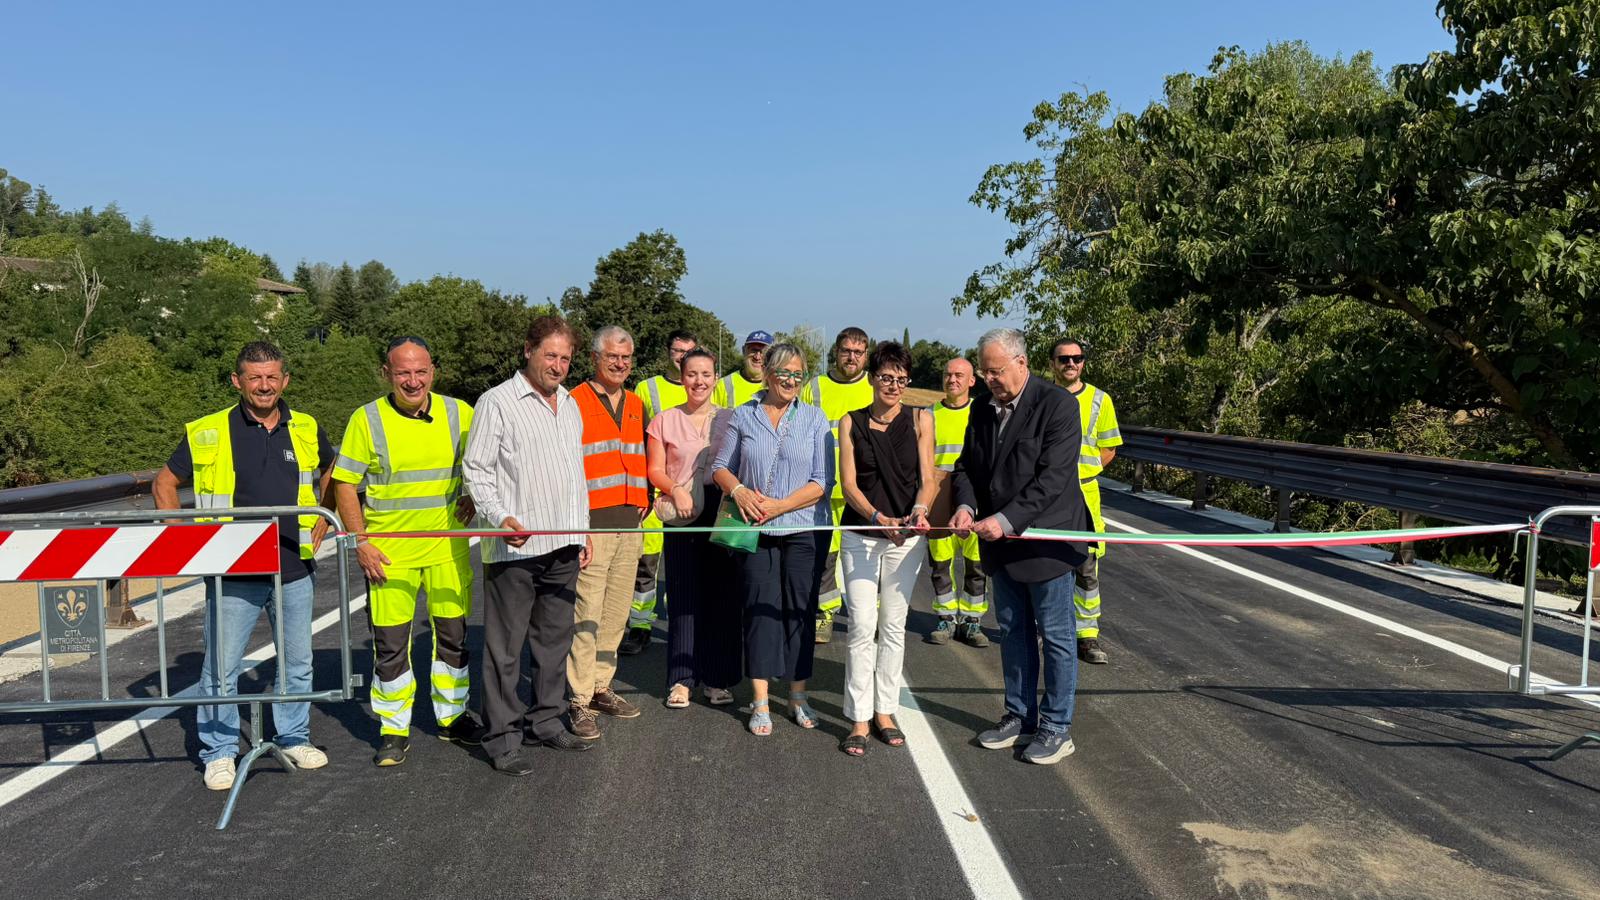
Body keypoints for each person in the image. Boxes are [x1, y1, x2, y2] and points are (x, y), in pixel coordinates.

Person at [152, 341, 336, 791]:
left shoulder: (306, 427)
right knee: (222, 666)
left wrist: (324, 518)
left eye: (272, 376)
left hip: (292, 564)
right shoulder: (211, 430)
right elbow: (165, 484)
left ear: (285, 380)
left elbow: (334, 471)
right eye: (254, 377)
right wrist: (189, 541)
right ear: (237, 381)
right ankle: (219, 751)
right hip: (233, 570)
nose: (264, 385)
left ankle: (293, 736)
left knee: (297, 661)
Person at [332, 336, 481, 768]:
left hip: (446, 548)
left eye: (420, 371)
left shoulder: (460, 413)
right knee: (391, 644)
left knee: (453, 639)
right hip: (388, 553)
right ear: (387, 374)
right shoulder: (367, 419)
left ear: (434, 371)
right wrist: (361, 542)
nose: (413, 380)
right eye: (403, 373)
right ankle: (393, 729)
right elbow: (345, 483)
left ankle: (452, 718)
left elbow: (484, 461)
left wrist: (471, 492)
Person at [462, 315, 596, 775]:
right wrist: (499, 518)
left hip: (563, 544)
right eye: (550, 355)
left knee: (554, 642)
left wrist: (583, 531)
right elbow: (476, 470)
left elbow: (575, 475)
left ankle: (546, 721)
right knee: (505, 648)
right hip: (515, 548)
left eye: (565, 357)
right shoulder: (496, 403)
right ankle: (501, 738)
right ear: (528, 351)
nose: (557, 365)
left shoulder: (570, 405)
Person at [950, 328, 1089, 765]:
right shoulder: (981, 408)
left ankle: (1056, 727)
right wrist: (967, 506)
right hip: (999, 544)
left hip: (1046, 542)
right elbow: (966, 468)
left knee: (1057, 637)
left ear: (1022, 363)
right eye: (985, 372)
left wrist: (1005, 520)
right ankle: (1020, 715)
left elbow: (1054, 478)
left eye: (996, 371)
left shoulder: (1058, 405)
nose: (989, 379)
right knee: (1013, 632)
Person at [711, 342, 833, 737]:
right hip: (755, 530)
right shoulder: (742, 415)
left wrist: (781, 507)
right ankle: (760, 699)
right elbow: (719, 467)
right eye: (785, 374)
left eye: (799, 375)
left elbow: (821, 480)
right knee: (760, 610)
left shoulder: (815, 418)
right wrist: (740, 491)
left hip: (802, 529)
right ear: (768, 373)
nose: (792, 381)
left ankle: (797, 694)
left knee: (800, 610)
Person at [836, 341, 936, 757]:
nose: (893, 385)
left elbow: (929, 479)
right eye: (885, 377)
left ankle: (885, 712)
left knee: (894, 627)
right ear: (872, 378)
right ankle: (858, 717)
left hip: (906, 540)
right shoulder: (850, 421)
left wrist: (917, 511)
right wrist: (877, 518)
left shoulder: (921, 419)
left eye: (901, 378)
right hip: (862, 535)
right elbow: (849, 484)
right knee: (861, 626)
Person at [566, 325, 650, 740]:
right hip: (593, 527)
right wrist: (578, 528)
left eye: (626, 357)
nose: (620, 364)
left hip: (629, 525)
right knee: (587, 615)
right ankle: (578, 698)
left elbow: (643, 458)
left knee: (616, 614)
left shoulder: (636, 403)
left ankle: (602, 685)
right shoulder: (574, 401)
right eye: (612, 357)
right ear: (595, 359)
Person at [645, 348, 739, 708]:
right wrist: (675, 489)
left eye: (706, 374)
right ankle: (682, 679)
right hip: (682, 512)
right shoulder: (664, 420)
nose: (699, 381)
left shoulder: (732, 419)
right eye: (691, 374)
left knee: (722, 596)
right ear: (681, 377)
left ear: (716, 378)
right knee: (683, 597)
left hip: (722, 510)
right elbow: (655, 468)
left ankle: (717, 679)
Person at [620, 330, 700, 657]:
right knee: (647, 561)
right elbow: (636, 442)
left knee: (688, 563)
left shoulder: (706, 387)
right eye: (677, 350)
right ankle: (639, 625)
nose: (682, 357)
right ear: (669, 352)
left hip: (693, 493)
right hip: (655, 490)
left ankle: (688, 626)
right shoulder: (647, 388)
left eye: (689, 352)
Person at [1051, 338, 1123, 665]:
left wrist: (1085, 472)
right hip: (1048, 494)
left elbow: (1109, 448)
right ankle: (1047, 629)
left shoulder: (1100, 400)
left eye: (1076, 358)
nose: (1070, 363)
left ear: (1083, 363)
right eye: (1063, 358)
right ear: (1053, 363)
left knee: (1087, 567)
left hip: (1085, 492)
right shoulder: (1040, 396)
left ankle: (1087, 635)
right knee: (1047, 563)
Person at [801, 327, 874, 643]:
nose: (852, 357)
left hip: (863, 489)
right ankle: (824, 615)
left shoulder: (874, 386)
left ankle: (870, 620)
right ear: (836, 351)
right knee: (826, 558)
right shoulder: (816, 386)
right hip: (824, 489)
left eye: (858, 352)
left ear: (866, 355)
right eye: (846, 350)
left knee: (866, 558)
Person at [925, 357, 989, 648]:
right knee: (941, 562)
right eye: (948, 374)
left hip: (974, 495)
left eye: (959, 375)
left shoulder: (983, 413)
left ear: (972, 380)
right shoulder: (929, 414)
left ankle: (972, 620)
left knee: (976, 563)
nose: (952, 380)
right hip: (939, 496)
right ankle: (946, 617)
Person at [713, 330, 771, 409]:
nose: (757, 357)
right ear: (744, 350)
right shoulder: (724, 384)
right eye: (753, 350)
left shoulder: (775, 385)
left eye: (763, 352)